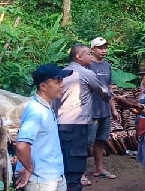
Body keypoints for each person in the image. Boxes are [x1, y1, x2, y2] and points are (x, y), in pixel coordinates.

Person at [55, 44, 110, 191]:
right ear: (79, 56)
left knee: (65, 162)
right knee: (76, 165)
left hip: (61, 124)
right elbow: (104, 93)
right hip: (77, 125)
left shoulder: (61, 73)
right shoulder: (86, 73)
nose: (91, 57)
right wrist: (113, 94)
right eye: (88, 54)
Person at [16, 64, 73, 191]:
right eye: (58, 81)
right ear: (43, 86)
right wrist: (29, 168)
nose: (62, 84)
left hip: (53, 175)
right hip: (42, 181)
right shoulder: (36, 111)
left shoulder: (46, 107)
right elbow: (21, 146)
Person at [87, 37, 119, 179]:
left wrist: (113, 109)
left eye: (105, 47)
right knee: (86, 142)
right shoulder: (87, 65)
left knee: (100, 140)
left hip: (104, 109)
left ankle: (100, 169)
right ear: (92, 49)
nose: (104, 50)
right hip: (90, 111)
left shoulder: (106, 66)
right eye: (100, 48)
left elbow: (109, 88)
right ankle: (79, 173)